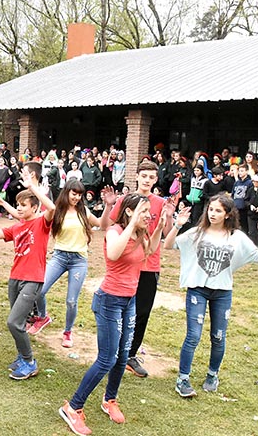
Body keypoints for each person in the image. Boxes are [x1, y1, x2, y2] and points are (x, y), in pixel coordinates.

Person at [59, 194, 166, 433]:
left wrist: (158, 228)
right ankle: (73, 407)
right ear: (129, 212)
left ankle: (110, 400)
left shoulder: (140, 233)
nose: (149, 215)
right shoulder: (114, 232)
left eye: (149, 212)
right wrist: (132, 224)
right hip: (109, 301)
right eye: (144, 211)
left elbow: (150, 252)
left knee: (123, 355)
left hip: (129, 301)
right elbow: (115, 254)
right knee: (107, 358)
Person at [165, 195, 258, 397]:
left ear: (228, 214)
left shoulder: (236, 236)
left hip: (222, 292)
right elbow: (169, 245)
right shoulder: (197, 233)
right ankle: (183, 379)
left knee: (218, 336)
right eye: (210, 209)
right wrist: (177, 225)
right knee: (193, 336)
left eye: (218, 211)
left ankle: (212, 375)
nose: (212, 214)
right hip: (197, 289)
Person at [99, 160, 173, 377]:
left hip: (149, 263)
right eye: (144, 176)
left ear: (156, 180)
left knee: (142, 312)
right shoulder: (126, 200)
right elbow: (109, 226)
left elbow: (166, 232)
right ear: (137, 177)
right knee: (119, 308)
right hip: (126, 264)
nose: (147, 180)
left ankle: (130, 354)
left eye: (151, 177)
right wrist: (110, 205)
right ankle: (114, 350)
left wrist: (168, 217)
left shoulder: (160, 202)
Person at [0, 170, 55, 380]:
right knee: (19, 323)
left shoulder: (42, 222)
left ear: (34, 207)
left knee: (14, 322)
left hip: (32, 279)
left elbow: (52, 208)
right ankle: (22, 357)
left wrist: (32, 188)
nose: (20, 209)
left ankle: (29, 361)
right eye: (19, 205)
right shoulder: (17, 227)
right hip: (15, 278)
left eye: (24, 205)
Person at [28, 179, 101, 348]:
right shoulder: (57, 211)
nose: (76, 197)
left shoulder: (84, 211)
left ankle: (68, 332)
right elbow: (37, 217)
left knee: (71, 301)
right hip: (60, 256)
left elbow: (102, 224)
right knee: (39, 290)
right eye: (74, 193)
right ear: (67, 192)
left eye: (79, 195)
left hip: (78, 260)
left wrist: (109, 206)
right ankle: (42, 316)